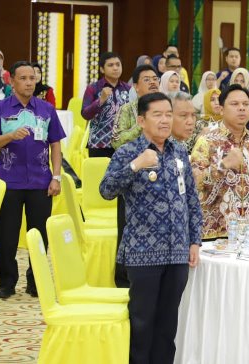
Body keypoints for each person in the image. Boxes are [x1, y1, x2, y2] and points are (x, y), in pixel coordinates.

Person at [100, 92, 202, 364]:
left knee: (168, 326)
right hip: (142, 252)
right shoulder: (128, 152)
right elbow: (106, 190)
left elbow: (191, 197)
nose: (165, 120)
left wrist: (194, 241)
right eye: (157, 115)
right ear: (142, 120)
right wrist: (135, 166)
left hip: (178, 252)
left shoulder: (179, 150)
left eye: (169, 114)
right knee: (142, 324)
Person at [0, 61, 65, 299]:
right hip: (9, 181)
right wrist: (9, 136)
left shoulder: (46, 109)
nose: (29, 82)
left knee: (39, 236)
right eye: (24, 78)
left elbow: (56, 145)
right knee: (7, 236)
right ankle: (7, 283)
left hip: (41, 182)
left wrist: (56, 176)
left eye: (32, 78)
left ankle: (36, 281)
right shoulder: (0, 109)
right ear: (12, 81)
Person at [190, 84, 249, 239]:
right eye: (234, 104)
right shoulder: (207, 142)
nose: (241, 108)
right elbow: (194, 183)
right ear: (221, 109)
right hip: (215, 232)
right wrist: (222, 166)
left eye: (245, 104)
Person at [110, 64, 161, 288]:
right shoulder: (127, 110)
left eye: (155, 79)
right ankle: (123, 279)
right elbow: (117, 140)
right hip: (132, 177)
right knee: (127, 227)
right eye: (147, 79)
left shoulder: (165, 111)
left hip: (160, 178)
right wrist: (144, 125)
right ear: (136, 86)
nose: (152, 82)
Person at [81, 52, 130, 158]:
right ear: (102, 69)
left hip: (123, 144)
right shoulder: (93, 88)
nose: (115, 68)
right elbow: (85, 114)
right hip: (99, 144)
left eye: (118, 64)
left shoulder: (128, 89)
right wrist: (100, 101)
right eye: (110, 65)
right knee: (99, 174)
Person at [188, 88, 222, 153]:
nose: (217, 102)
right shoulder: (199, 124)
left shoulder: (228, 123)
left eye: (219, 99)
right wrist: (199, 136)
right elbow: (187, 149)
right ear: (206, 103)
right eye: (212, 100)